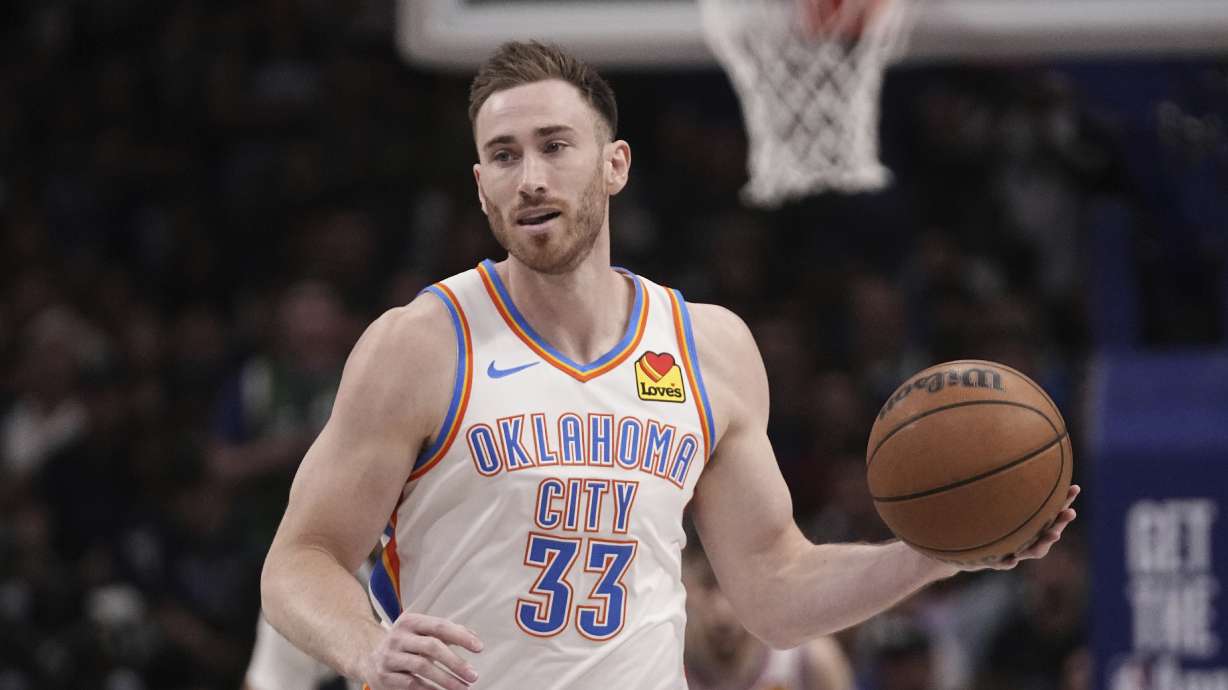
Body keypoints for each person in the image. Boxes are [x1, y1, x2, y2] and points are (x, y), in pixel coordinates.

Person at [260, 40, 1079, 690]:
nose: (532, 177)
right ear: (481, 188)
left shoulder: (706, 349)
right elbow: (300, 559)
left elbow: (775, 590)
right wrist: (368, 648)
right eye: (504, 156)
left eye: (555, 146)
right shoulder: (422, 343)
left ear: (614, 164)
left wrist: (940, 551)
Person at [683, 540, 854, 690]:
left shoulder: (809, 662)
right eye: (707, 585)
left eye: (735, 585)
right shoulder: (667, 662)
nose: (723, 611)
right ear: (685, 582)